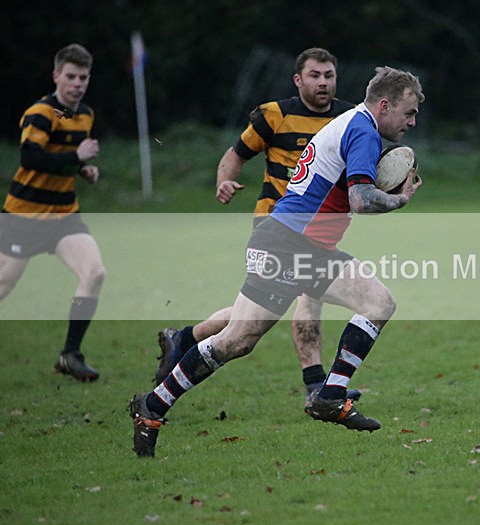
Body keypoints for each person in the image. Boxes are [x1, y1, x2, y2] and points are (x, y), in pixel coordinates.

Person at [129, 66, 424, 457]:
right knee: (237, 340)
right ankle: (154, 406)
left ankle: (328, 395)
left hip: (303, 245)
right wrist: (401, 199)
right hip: (288, 243)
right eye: (408, 112)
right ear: (384, 105)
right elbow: (362, 201)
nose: (412, 121)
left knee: (376, 302)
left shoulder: (353, 122)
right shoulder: (364, 130)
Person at [154, 47, 361, 407]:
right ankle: (316, 386)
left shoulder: (347, 118)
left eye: (329, 75)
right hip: (276, 225)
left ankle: (186, 337)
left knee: (256, 314)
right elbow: (236, 154)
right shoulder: (274, 115)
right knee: (300, 301)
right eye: (315, 75)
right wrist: (224, 181)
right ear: (298, 80)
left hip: (317, 228)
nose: (323, 82)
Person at [0, 43, 105, 382]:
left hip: (63, 215)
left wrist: (82, 170)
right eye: (71, 76)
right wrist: (77, 157)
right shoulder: (41, 113)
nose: (77, 84)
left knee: (94, 273)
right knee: (5, 283)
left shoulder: (84, 114)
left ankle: (70, 355)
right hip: (24, 215)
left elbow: (62, 157)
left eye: (83, 77)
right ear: (56, 75)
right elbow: (30, 157)